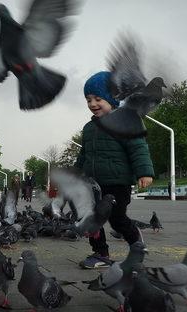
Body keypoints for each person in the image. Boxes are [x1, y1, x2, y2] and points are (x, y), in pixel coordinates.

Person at [74, 71, 154, 269]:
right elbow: (84, 154)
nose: (92, 104)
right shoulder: (88, 128)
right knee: (92, 220)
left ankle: (137, 245)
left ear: (112, 98)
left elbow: (138, 147)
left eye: (98, 98)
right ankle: (100, 253)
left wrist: (144, 172)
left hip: (118, 182)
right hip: (94, 184)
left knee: (118, 220)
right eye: (88, 99)